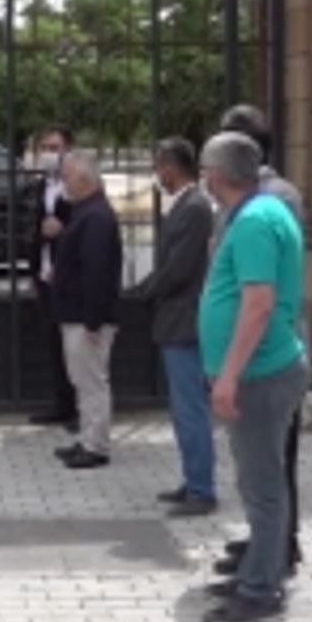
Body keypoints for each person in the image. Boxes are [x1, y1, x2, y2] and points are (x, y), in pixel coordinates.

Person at [196, 132, 308, 622]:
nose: (203, 177)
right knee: (260, 481)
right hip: (260, 371)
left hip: (260, 375)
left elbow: (257, 304)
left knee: (263, 487)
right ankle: (259, 571)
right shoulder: (258, 212)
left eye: (205, 168)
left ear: (218, 175)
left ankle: (261, 590)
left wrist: (228, 376)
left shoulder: (255, 222)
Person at [131, 138, 218, 516]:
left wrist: (144, 291)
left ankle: (201, 489)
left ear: (170, 167)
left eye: (158, 167)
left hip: (184, 319)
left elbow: (179, 268)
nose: (157, 175)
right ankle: (193, 479)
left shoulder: (194, 208)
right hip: (177, 318)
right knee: (183, 408)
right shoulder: (186, 205)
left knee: (189, 408)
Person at [51, 151, 123, 470]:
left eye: (67, 177)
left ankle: (97, 446)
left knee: (92, 382)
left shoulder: (96, 218)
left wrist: (93, 318)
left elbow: (97, 271)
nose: (63, 183)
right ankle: (86, 438)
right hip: (76, 313)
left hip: (87, 317)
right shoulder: (85, 212)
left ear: (83, 179)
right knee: (82, 380)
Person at [28, 126, 79, 431]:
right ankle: (61, 404)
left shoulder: (78, 185)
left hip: (70, 274)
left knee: (76, 343)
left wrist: (63, 231)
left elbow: (89, 224)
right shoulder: (40, 186)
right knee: (54, 341)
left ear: (68, 150)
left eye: (55, 147)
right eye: (45, 148)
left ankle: (78, 408)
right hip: (46, 274)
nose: (49, 154)